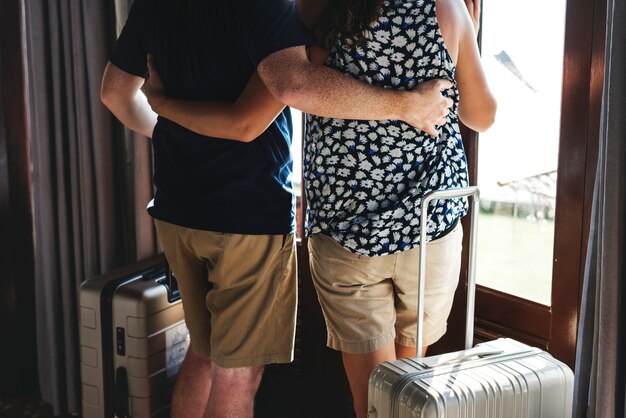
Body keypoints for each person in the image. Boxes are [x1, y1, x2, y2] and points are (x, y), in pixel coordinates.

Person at [141, 0, 496, 417]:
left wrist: (162, 105)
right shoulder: (446, 8)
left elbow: (272, 99)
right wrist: (464, 41)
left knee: (375, 404)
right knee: (409, 389)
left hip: (346, 233)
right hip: (426, 226)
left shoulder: (320, 9)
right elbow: (481, 116)